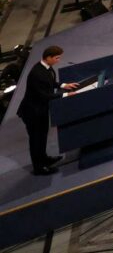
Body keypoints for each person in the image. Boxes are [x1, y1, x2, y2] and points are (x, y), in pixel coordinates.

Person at [18, 45, 80, 175]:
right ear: (48, 58)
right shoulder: (37, 74)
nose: (58, 60)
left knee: (43, 136)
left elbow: (51, 82)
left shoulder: (46, 68)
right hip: (32, 112)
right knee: (36, 139)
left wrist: (64, 85)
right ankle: (38, 168)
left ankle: (44, 158)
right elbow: (45, 95)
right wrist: (65, 95)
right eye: (57, 58)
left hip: (41, 110)